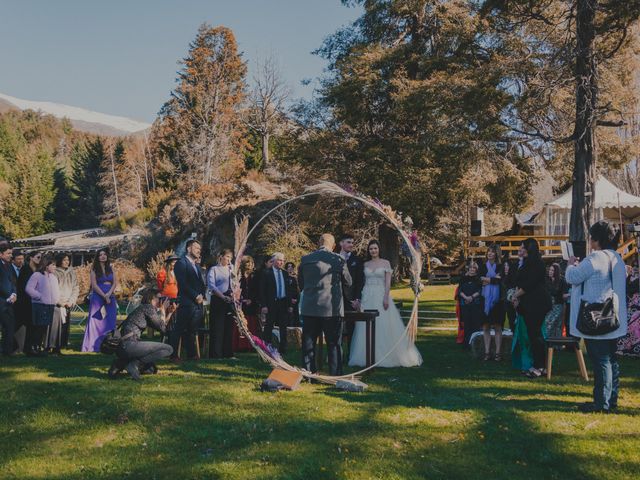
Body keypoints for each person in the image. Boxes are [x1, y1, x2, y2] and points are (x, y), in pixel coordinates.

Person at [566, 221, 627, 413]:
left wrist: (569, 265)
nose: (589, 240)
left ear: (597, 240)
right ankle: (611, 399)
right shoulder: (616, 257)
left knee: (601, 361)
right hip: (614, 316)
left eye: (591, 237)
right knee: (611, 360)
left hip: (596, 317)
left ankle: (602, 403)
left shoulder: (594, 258)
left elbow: (573, 277)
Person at [349, 239, 422, 367]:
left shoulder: (385, 263)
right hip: (367, 295)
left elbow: (388, 282)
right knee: (365, 325)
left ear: (379, 249)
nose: (373, 251)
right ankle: (365, 356)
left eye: (375, 248)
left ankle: (387, 354)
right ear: (369, 250)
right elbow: (361, 282)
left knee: (383, 323)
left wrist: (386, 297)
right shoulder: (365, 264)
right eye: (371, 249)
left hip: (380, 294)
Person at [300, 234, 352, 376]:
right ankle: (335, 373)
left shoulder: (305, 259)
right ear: (334, 245)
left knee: (308, 343)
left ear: (318, 243)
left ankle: (308, 373)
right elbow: (348, 282)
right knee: (334, 344)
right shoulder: (338, 259)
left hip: (310, 307)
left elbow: (301, 284)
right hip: (331, 309)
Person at [108, 288, 176, 381]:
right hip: (129, 345)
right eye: (159, 298)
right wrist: (163, 310)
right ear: (152, 299)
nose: (161, 301)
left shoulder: (143, 308)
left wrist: (170, 313)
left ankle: (120, 364)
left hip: (123, 347)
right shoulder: (148, 308)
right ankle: (133, 364)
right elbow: (162, 327)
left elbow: (163, 328)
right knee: (168, 349)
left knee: (151, 369)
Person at [512, 238, 552, 378]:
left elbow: (530, 284)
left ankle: (539, 366)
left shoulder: (537, 264)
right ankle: (541, 364)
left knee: (535, 335)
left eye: (522, 247)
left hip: (538, 303)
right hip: (528, 303)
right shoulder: (524, 263)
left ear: (529, 248)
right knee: (533, 334)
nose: (520, 249)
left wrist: (515, 296)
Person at [169, 239, 206, 361]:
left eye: (199, 249)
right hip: (187, 302)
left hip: (197, 304)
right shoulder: (181, 263)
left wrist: (202, 295)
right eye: (196, 248)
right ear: (189, 249)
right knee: (179, 329)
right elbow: (183, 283)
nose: (198, 251)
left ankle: (191, 354)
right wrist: (195, 296)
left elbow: (200, 283)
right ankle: (173, 355)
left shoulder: (196, 265)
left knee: (191, 330)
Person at [82, 249, 118, 352]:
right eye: (100, 255)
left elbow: (115, 283)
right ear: (97, 257)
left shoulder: (111, 268)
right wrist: (104, 296)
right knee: (96, 321)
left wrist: (109, 294)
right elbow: (94, 285)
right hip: (98, 296)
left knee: (110, 319)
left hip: (110, 295)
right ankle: (92, 346)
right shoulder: (94, 269)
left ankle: (109, 344)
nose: (103, 256)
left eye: (104, 254)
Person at [25, 256, 60, 356]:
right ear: (46, 265)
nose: (55, 267)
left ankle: (38, 347)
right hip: (39, 305)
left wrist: (55, 299)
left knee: (44, 328)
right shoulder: (37, 275)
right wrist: (39, 296)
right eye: (53, 265)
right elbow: (29, 288)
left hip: (50, 305)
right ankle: (32, 348)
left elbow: (56, 291)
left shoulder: (53, 277)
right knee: (38, 327)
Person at [259, 252, 294, 354]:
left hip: (283, 303)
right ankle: (267, 347)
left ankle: (283, 349)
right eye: (279, 260)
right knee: (269, 326)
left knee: (283, 327)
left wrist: (290, 305)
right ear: (274, 261)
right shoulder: (266, 273)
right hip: (271, 303)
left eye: (283, 261)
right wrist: (264, 305)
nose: (281, 262)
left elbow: (288, 290)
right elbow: (262, 291)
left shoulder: (284, 273)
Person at [207, 249, 236, 359]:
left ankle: (228, 353)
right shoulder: (214, 269)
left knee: (229, 327)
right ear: (221, 256)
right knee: (218, 327)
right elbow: (212, 286)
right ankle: (216, 354)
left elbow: (235, 282)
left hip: (230, 300)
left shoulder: (231, 269)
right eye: (227, 257)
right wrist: (223, 297)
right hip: (218, 299)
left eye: (230, 258)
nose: (229, 259)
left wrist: (234, 295)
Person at [478, 245, 504, 361]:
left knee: (498, 326)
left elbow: (500, 280)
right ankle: (487, 352)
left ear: (497, 254)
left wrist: (486, 279)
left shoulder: (501, 266)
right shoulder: (482, 266)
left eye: (492, 252)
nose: (489, 253)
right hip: (484, 300)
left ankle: (498, 353)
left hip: (497, 301)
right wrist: (493, 280)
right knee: (485, 326)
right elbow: (478, 279)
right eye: (488, 251)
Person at [16, 252, 42, 355]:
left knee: (33, 325)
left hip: (35, 301)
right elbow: (23, 286)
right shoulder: (25, 269)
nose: (40, 259)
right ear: (31, 258)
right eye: (38, 257)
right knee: (24, 324)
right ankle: (22, 347)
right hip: (25, 301)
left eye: (41, 257)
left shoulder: (39, 270)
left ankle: (30, 347)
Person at [54, 253, 79, 349]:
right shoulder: (55, 272)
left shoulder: (71, 272)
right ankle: (55, 344)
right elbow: (53, 289)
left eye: (68, 260)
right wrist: (60, 302)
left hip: (69, 302)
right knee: (57, 325)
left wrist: (71, 301)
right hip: (58, 302)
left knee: (66, 324)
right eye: (64, 260)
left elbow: (75, 287)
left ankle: (63, 343)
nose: (66, 262)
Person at [456, 261, 483, 348]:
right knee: (467, 324)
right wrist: (466, 298)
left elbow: (480, 291)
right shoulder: (463, 278)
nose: (472, 269)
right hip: (464, 303)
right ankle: (467, 343)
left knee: (475, 323)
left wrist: (471, 297)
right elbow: (459, 290)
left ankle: (476, 343)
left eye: (474, 268)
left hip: (475, 303)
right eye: (471, 268)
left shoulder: (478, 279)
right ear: (468, 268)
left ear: (476, 270)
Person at [237, 255, 259, 351]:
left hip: (252, 304)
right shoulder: (238, 274)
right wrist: (241, 298)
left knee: (251, 324)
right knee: (241, 322)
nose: (249, 264)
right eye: (247, 262)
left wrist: (251, 299)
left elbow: (258, 289)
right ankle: (240, 345)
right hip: (240, 303)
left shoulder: (255, 275)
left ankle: (250, 345)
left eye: (251, 262)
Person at [0, 243, 17, 357]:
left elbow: (13, 281)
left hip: (9, 303)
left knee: (9, 327)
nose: (11, 255)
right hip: (1, 301)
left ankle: (7, 350)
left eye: (11, 253)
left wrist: (14, 294)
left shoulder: (10, 266)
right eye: (8, 253)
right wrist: (8, 295)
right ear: (1, 254)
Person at [544, 263, 567, 340]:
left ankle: (555, 344)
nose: (550, 271)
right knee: (548, 323)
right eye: (550, 270)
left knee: (552, 324)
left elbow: (564, 295)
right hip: (548, 305)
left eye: (552, 270)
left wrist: (571, 294)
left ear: (556, 271)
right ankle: (548, 343)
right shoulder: (547, 280)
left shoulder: (562, 281)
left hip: (557, 306)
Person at [285, 261, 300, 327]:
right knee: (289, 319)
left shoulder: (296, 278)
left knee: (296, 320)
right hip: (288, 301)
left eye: (291, 267)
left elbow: (298, 290)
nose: (290, 268)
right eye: (288, 267)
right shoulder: (284, 278)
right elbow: (286, 290)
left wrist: (296, 299)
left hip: (296, 301)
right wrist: (290, 300)